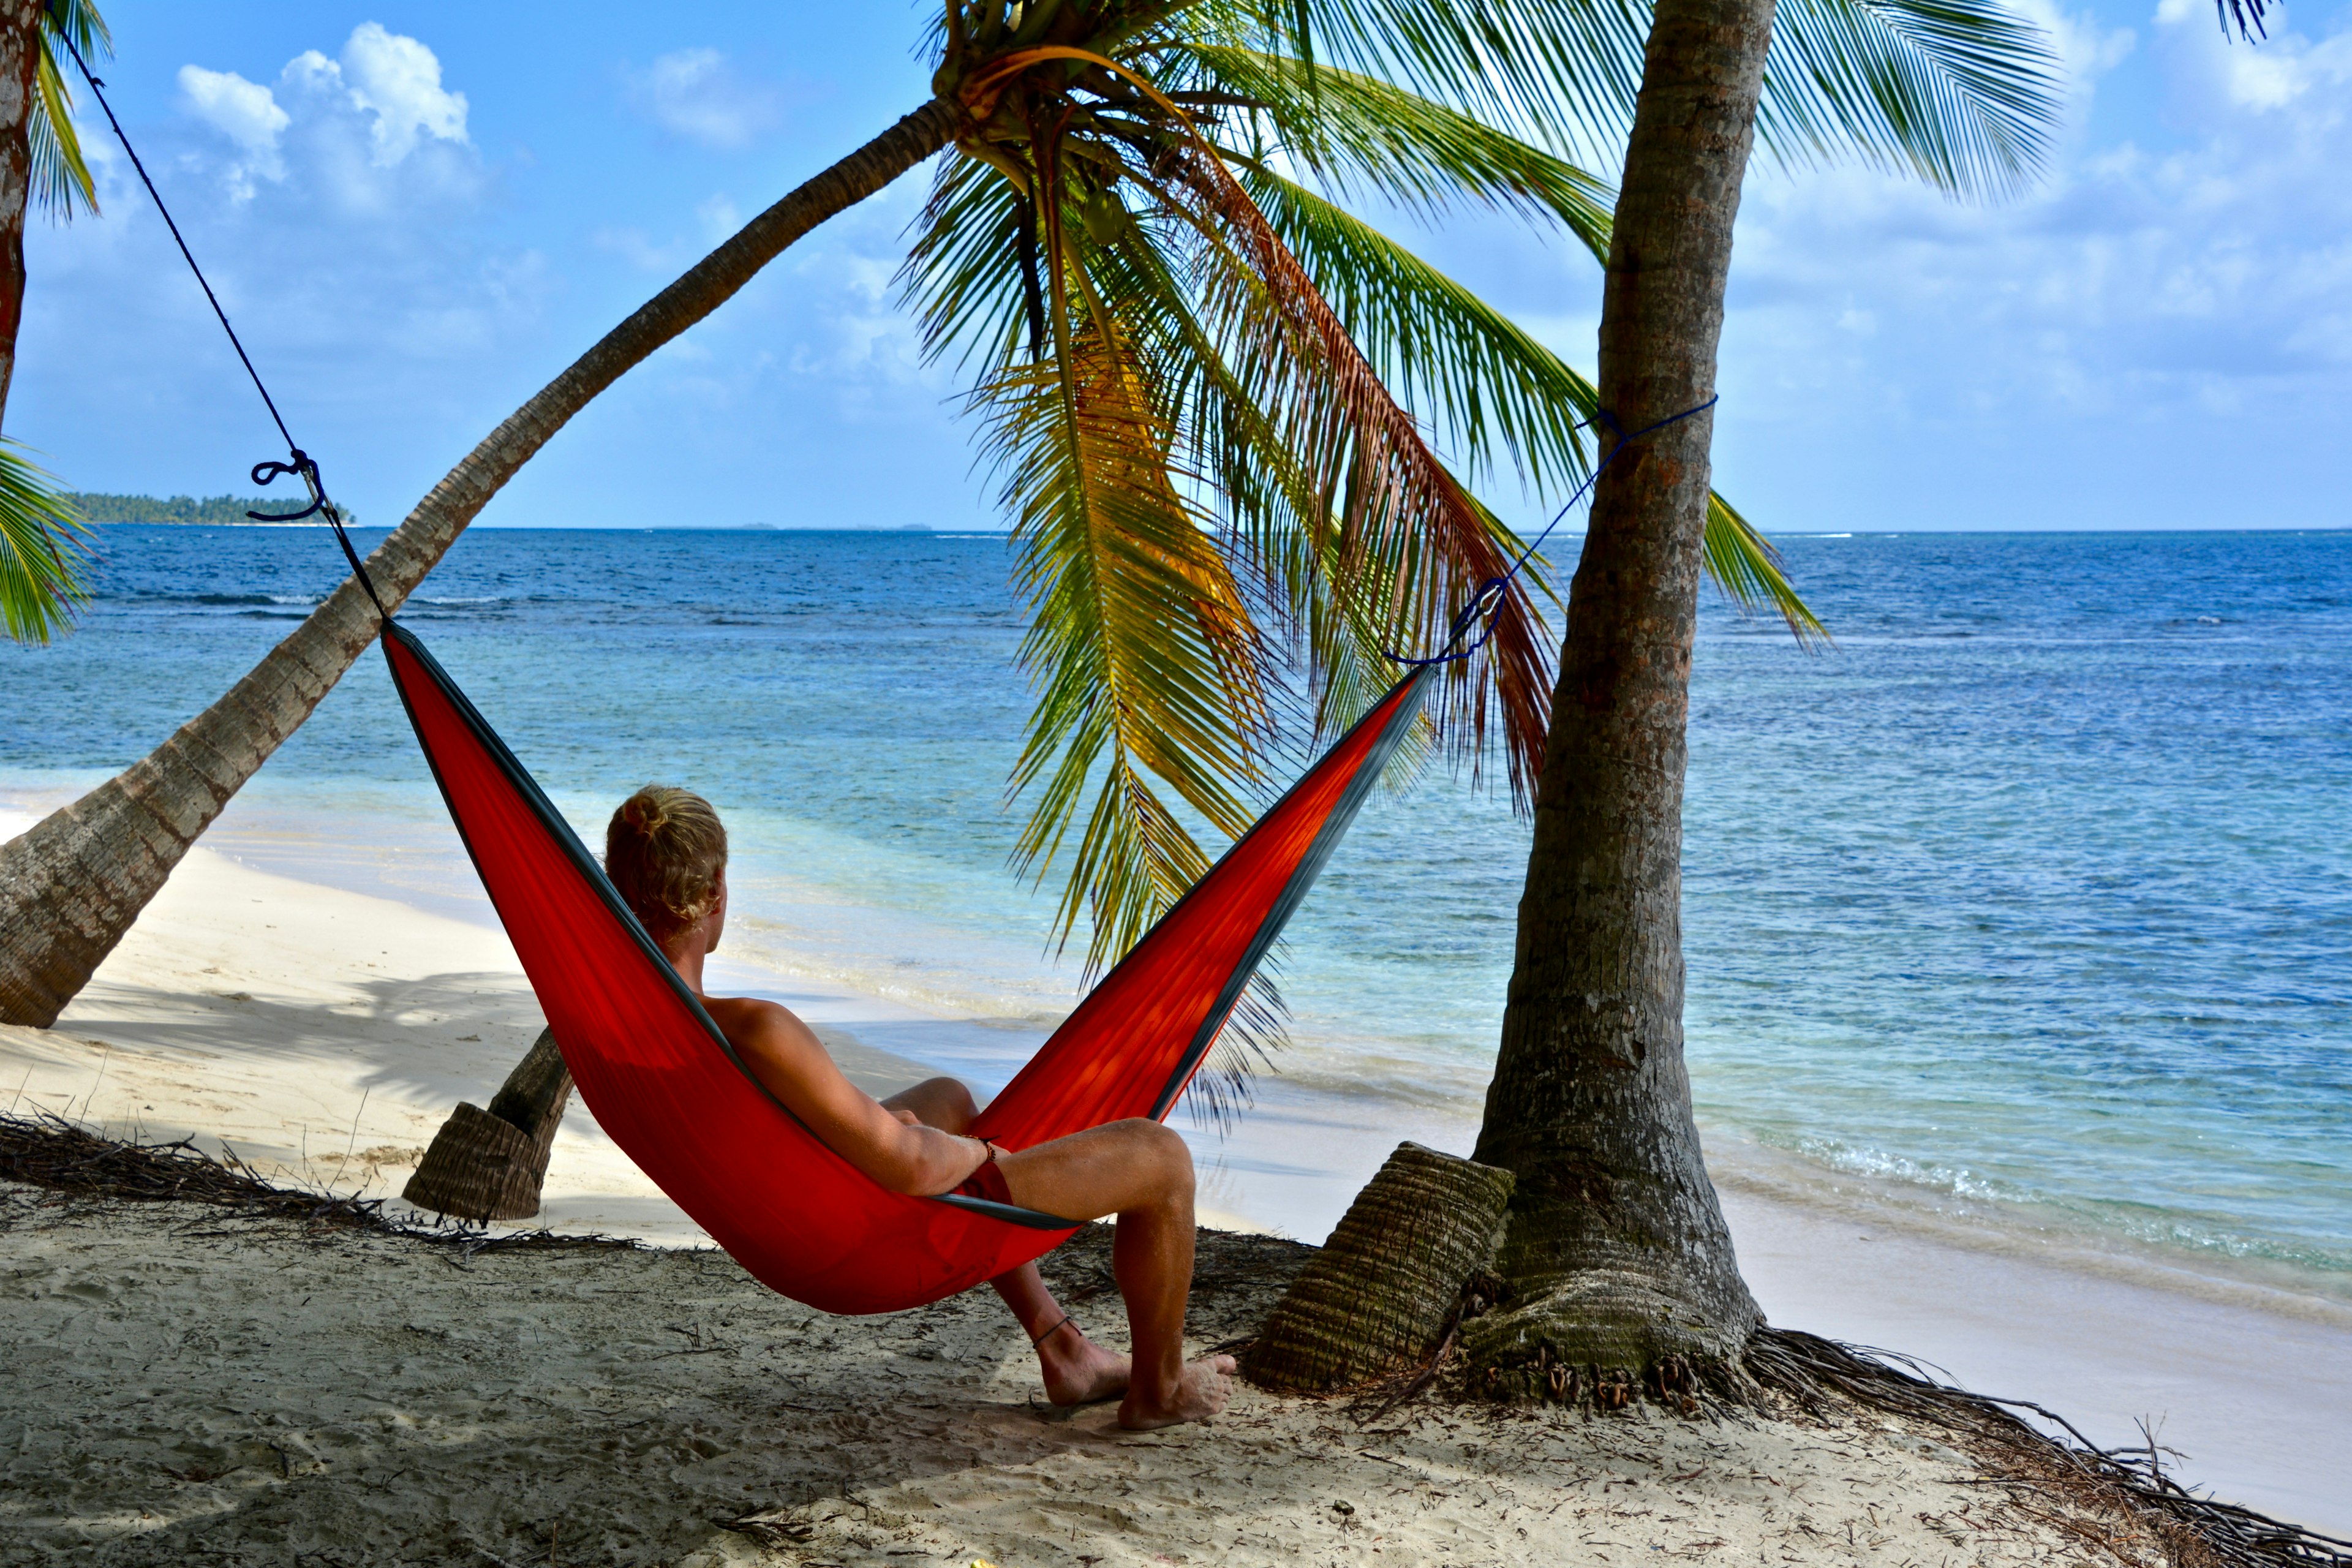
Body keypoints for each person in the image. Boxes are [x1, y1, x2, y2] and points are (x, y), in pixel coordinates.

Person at [603, 784, 1234, 1430]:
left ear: (616, 891)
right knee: (1160, 1155)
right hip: (854, 1241)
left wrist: (900, 1133)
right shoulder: (755, 1030)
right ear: (714, 894)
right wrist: (977, 1154)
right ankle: (1159, 1391)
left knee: (948, 1099)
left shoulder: (611, 1035)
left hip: (790, 1226)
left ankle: (1065, 1347)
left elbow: (760, 1138)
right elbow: (907, 1169)